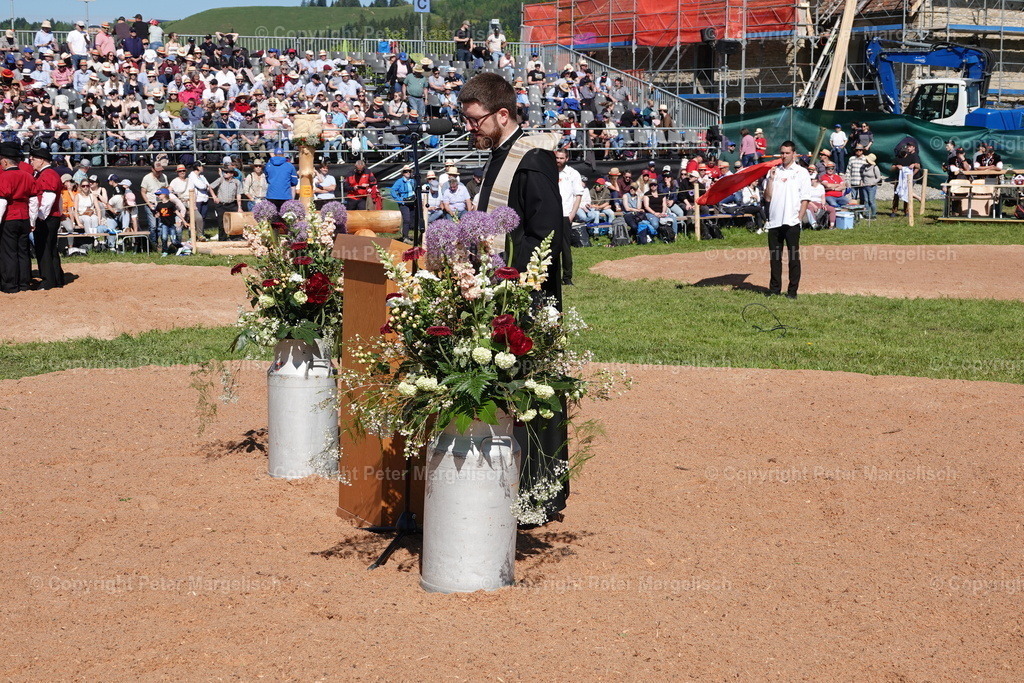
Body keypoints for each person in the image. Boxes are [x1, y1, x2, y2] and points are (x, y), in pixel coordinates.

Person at [457, 72, 568, 519]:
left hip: (526, 294)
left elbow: (546, 232)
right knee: (511, 390)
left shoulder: (531, 159)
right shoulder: (500, 153)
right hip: (498, 292)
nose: (471, 129)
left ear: (502, 114)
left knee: (538, 392)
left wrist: (516, 284)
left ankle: (543, 491)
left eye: (476, 121)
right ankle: (514, 483)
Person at [763, 140, 811, 299]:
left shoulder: (801, 172)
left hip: (792, 221)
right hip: (774, 221)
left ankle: (792, 292)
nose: (783, 155)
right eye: (782, 153)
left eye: (787, 153)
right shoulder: (774, 172)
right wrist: (770, 179)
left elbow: (805, 198)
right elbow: (767, 197)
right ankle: (774, 290)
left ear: (794, 154)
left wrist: (799, 217)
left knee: (793, 258)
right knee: (775, 258)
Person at [0, 142, 35, 293]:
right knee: (23, 251)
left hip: (9, 217)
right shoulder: (28, 176)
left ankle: (10, 284)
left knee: (9, 252)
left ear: (6, 161)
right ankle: (24, 283)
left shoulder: (4, 177)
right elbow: (34, 201)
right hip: (25, 217)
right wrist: (32, 220)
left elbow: (1, 201)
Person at [29, 147, 65, 289]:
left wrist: (39, 217)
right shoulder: (48, 174)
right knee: (50, 249)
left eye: (33, 159)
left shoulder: (48, 174)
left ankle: (48, 281)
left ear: (42, 160)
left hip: (47, 217)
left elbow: (48, 198)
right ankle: (56, 278)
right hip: (51, 216)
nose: (31, 161)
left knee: (43, 249)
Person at [552, 148, 578, 285]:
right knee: (549, 247)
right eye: (557, 158)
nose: (559, 161)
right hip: (550, 215)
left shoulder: (573, 174)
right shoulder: (549, 171)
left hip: (565, 215)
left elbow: (578, 195)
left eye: (561, 158)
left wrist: (572, 214)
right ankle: (551, 277)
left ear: (566, 159)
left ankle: (567, 277)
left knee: (565, 248)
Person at [209, 165, 243, 241]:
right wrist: (214, 196)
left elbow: (238, 194)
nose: (225, 173)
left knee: (233, 222)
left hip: (232, 204)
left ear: (232, 174)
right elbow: (210, 187)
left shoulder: (237, 182)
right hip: (221, 205)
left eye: (227, 172)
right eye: (224, 172)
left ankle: (234, 238)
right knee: (221, 223)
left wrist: (239, 207)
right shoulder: (221, 180)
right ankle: (222, 239)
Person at [391, 165, 417, 241]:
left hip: (412, 202)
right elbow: (393, 190)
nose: (408, 173)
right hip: (404, 203)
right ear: (403, 173)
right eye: (406, 171)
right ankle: (405, 237)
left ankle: (410, 236)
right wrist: (399, 200)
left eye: (409, 171)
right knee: (407, 219)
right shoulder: (399, 181)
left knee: (412, 220)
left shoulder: (413, 181)